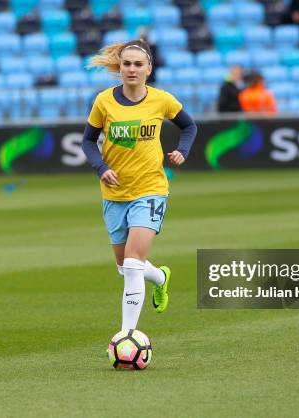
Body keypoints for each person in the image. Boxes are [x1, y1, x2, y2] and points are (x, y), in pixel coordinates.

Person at [82, 39, 197, 331]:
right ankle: (159, 277)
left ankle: (127, 334)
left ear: (148, 69)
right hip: (114, 193)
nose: (131, 69)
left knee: (133, 265)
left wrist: (182, 150)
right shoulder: (104, 101)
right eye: (126, 64)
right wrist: (101, 167)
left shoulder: (162, 100)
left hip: (150, 190)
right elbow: (87, 140)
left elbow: (189, 126)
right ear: (120, 68)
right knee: (124, 267)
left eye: (137, 64)